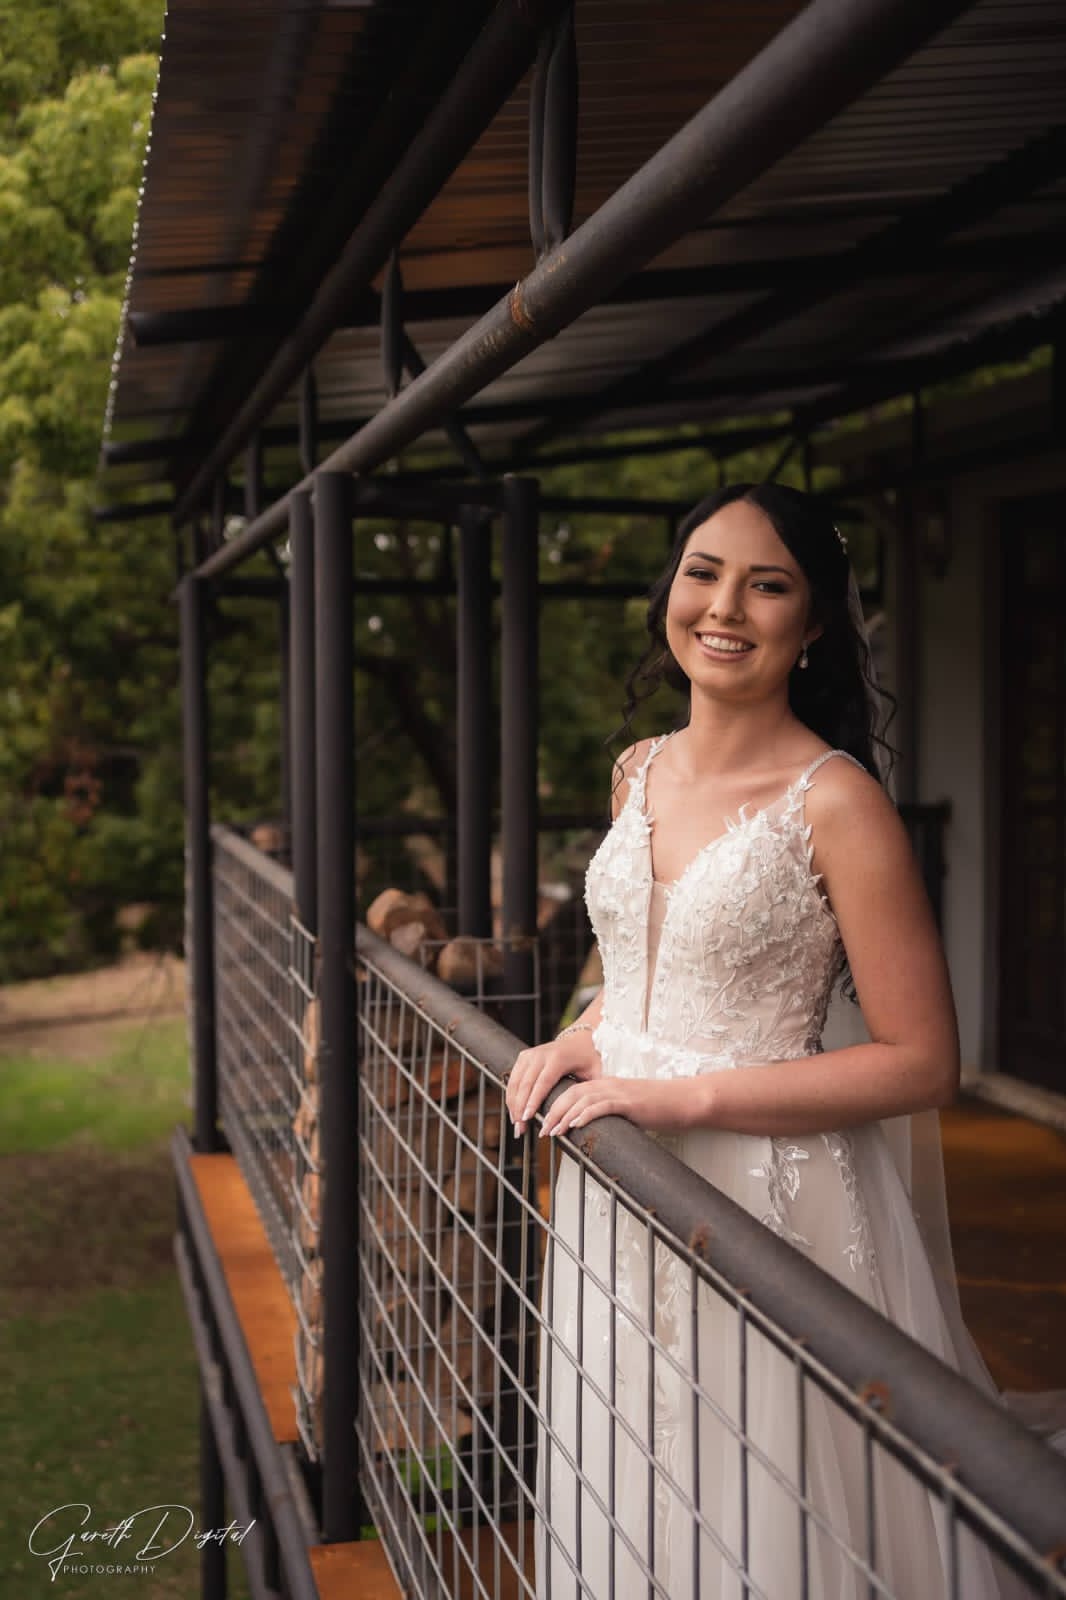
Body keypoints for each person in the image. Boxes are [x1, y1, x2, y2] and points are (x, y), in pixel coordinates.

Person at [505, 483, 1035, 1599]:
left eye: (767, 582)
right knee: (633, 1465)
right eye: (703, 571)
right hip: (619, 1179)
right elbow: (650, 968)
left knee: (768, 1493)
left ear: (813, 625)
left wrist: (674, 1099)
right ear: (671, 592)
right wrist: (582, 1036)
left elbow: (922, 1061)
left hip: (769, 1196)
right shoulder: (636, 769)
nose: (723, 605)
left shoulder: (835, 803)